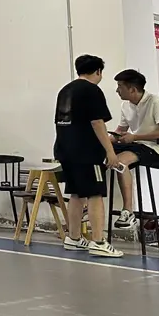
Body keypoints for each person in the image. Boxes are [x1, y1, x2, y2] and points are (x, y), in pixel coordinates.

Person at [53, 54, 123, 257]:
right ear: (98, 71)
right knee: (95, 194)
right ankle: (99, 241)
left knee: (76, 194)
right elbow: (97, 122)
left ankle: (74, 238)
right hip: (87, 152)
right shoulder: (92, 90)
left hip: (65, 149)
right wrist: (110, 151)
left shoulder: (65, 90)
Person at [110, 69, 159, 230]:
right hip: (136, 144)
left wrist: (135, 137)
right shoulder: (125, 105)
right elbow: (120, 130)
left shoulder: (155, 102)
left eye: (120, 86)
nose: (117, 90)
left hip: (155, 148)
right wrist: (105, 139)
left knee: (120, 162)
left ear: (132, 89)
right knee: (99, 152)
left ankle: (128, 211)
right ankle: (87, 201)